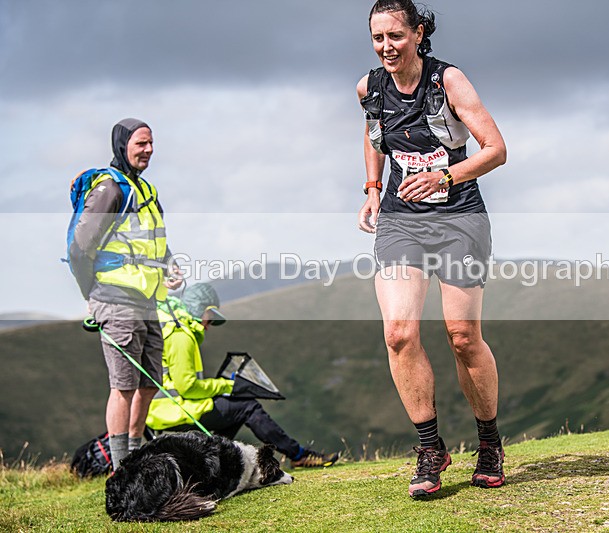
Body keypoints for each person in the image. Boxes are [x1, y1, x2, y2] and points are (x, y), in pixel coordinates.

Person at [357, 1, 507, 497]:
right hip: (402, 220)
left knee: (462, 336)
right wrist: (373, 190)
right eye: (378, 38)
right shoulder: (370, 86)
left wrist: (443, 175)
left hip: (459, 215)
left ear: (419, 34)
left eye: (395, 36)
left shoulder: (449, 81)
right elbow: (372, 134)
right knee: (399, 333)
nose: (386, 47)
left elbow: (495, 149)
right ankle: (430, 448)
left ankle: (488, 441)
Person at [69, 118, 183, 471]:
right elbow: (79, 249)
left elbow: (153, 242)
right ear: (123, 146)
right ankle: (121, 468)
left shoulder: (146, 191)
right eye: (140, 144)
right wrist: (91, 294)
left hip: (147, 299)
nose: (148, 150)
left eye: (150, 143)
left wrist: (170, 265)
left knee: (149, 381)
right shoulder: (110, 190)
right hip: (115, 298)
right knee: (123, 385)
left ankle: (136, 453)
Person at [145, 283, 339, 468]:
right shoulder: (182, 336)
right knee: (247, 407)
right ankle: (299, 455)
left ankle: (211, 462)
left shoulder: (177, 329)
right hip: (172, 410)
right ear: (198, 308)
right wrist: (227, 386)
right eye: (209, 316)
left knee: (237, 409)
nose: (209, 324)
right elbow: (187, 387)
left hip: (166, 408)